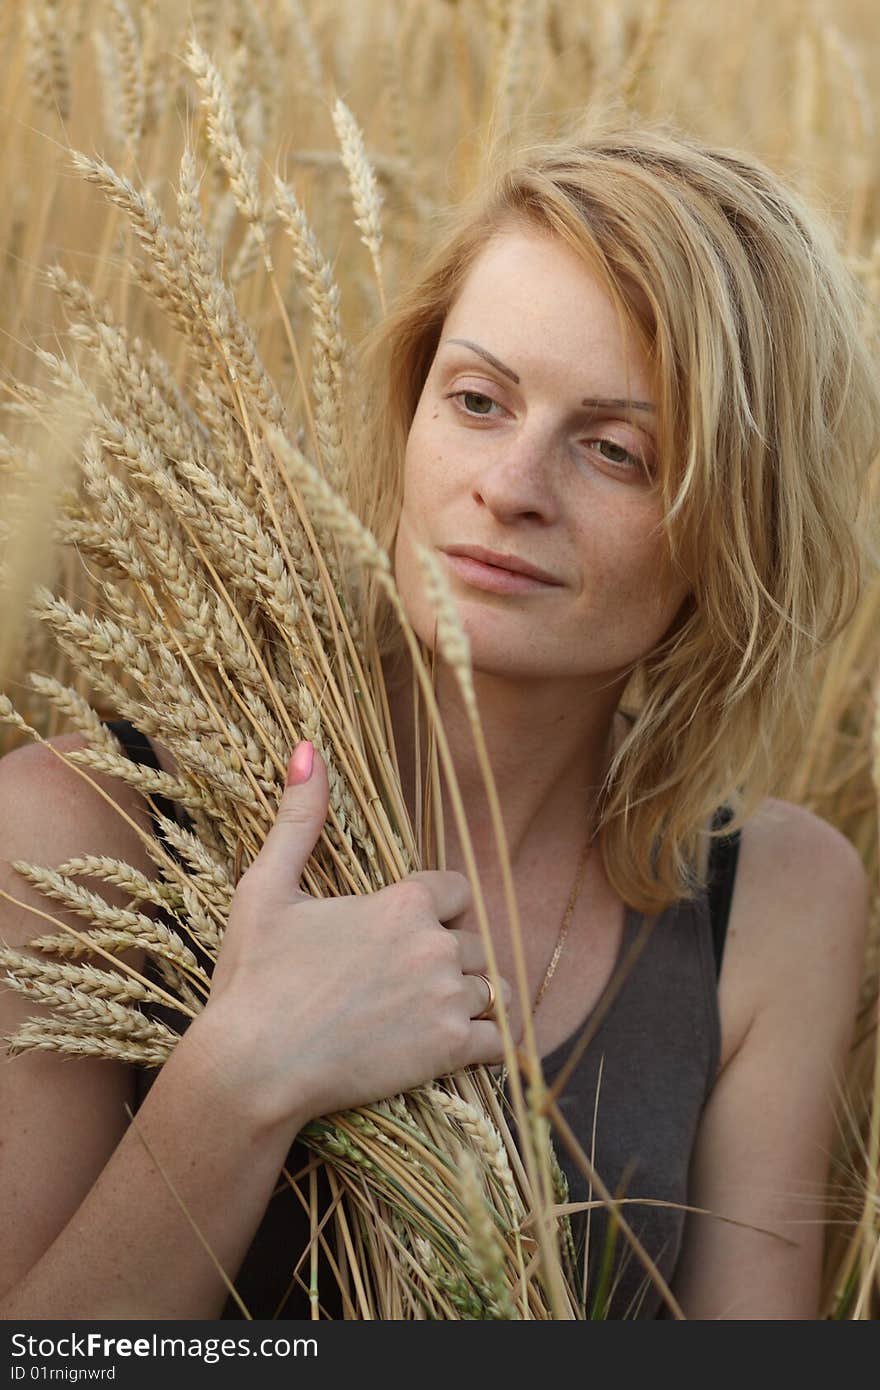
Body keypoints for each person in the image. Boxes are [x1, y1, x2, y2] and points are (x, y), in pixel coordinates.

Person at [0, 123, 876, 1320]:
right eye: (477, 399)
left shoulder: (772, 900)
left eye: (615, 451)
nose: (510, 485)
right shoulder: (79, 830)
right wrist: (241, 1072)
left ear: (735, 527)